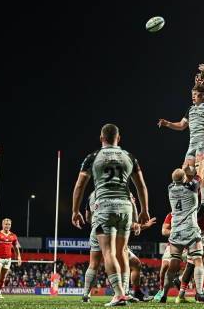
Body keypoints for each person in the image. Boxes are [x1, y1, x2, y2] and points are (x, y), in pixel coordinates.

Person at [71, 123, 150, 307]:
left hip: (105, 207)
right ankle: (125, 292)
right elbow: (141, 186)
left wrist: (75, 211)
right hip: (125, 206)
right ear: (118, 138)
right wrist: (145, 210)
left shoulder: (93, 157)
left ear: (101, 138)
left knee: (108, 253)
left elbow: (80, 185)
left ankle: (119, 294)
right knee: (122, 252)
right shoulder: (129, 156)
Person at [157, 161, 204, 303]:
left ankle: (163, 294)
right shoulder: (191, 187)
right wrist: (201, 163)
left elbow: (181, 177)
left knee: (173, 265)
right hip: (190, 229)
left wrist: (184, 168)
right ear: (184, 179)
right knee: (198, 260)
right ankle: (200, 292)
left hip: (176, 231)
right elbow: (200, 175)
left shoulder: (170, 188)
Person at [82, 192, 155, 303]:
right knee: (122, 256)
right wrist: (142, 225)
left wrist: (97, 220)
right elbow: (125, 222)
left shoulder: (92, 195)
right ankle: (123, 293)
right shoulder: (121, 190)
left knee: (94, 263)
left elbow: (87, 217)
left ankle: (85, 295)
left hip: (96, 229)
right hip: (112, 234)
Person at [158, 85, 204, 208]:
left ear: (202, 95)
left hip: (203, 141)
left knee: (200, 169)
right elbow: (181, 125)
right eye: (192, 94)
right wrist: (167, 124)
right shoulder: (191, 109)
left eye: (196, 94)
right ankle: (189, 197)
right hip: (192, 143)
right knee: (185, 169)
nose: (193, 96)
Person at [0, 218, 21, 296]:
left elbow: (16, 247)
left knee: (2, 279)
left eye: (9, 224)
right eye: (6, 224)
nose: (7, 226)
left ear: (10, 225)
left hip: (8, 259)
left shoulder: (13, 236)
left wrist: (19, 257)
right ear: (2, 225)